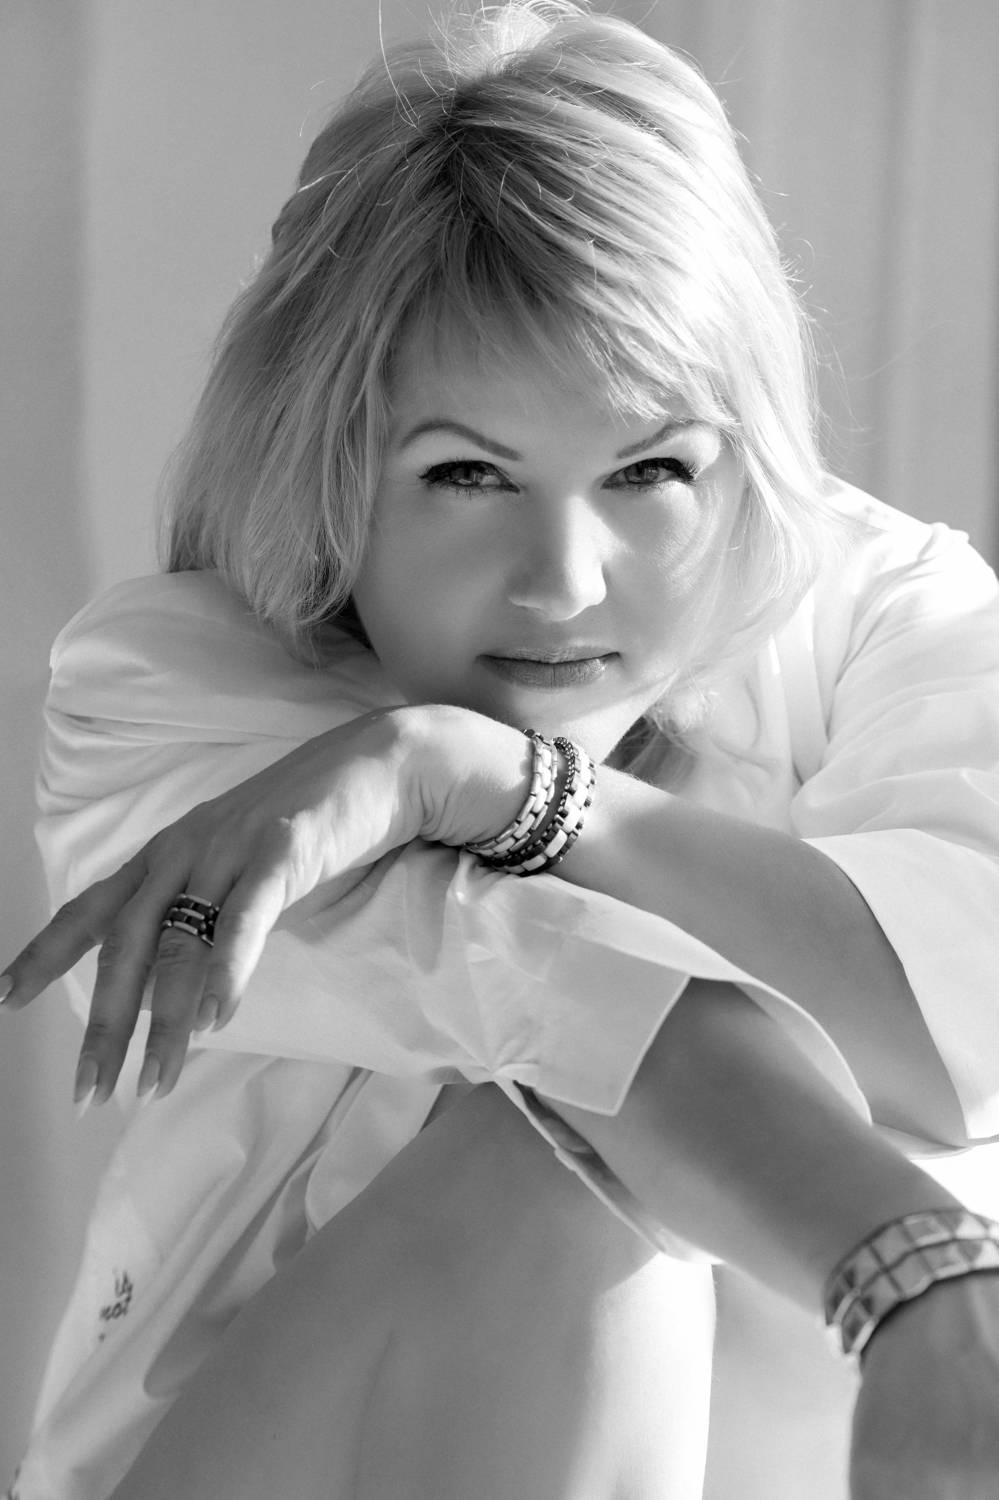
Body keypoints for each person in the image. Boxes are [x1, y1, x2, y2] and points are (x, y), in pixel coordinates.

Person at [3, 1, 999, 1495]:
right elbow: (589, 1028)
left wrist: (488, 784)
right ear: (329, 457)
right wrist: (916, 1280)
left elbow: (954, 1035)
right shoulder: (173, 687)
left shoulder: (893, 614)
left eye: (650, 468)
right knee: (554, 1170)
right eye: (468, 473)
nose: (563, 583)